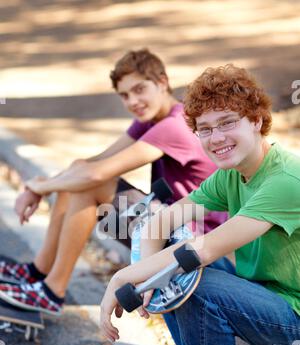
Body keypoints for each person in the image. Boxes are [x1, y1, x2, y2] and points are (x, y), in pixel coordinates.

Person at [99, 64, 300, 345]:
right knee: (173, 264)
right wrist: (148, 286)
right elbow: (161, 222)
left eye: (227, 122)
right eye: (204, 129)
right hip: (263, 295)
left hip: (293, 317)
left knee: (191, 272)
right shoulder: (232, 174)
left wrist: (122, 280)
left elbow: (201, 253)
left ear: (256, 120)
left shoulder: (285, 179)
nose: (216, 137)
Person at [0, 49, 224, 316]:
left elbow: (95, 175)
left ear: (162, 82)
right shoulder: (151, 120)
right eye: (125, 95)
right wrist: (44, 184)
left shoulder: (175, 124)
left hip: (195, 245)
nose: (133, 101)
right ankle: (39, 272)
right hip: (167, 228)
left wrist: (39, 188)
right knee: (79, 175)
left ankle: (51, 291)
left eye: (139, 89)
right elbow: (89, 164)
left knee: (91, 184)